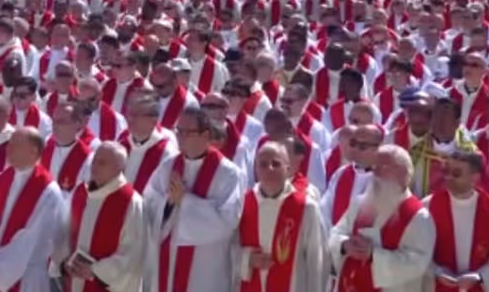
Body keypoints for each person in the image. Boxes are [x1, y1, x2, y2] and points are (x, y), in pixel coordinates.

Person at [154, 107, 245, 292]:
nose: (180, 137)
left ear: (205, 135)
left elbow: (227, 223)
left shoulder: (229, 174)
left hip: (205, 268)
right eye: (178, 130)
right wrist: (169, 203)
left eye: (187, 132)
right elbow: (149, 204)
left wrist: (185, 201)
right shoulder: (168, 165)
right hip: (168, 262)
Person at [328, 145, 436, 292]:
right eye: (374, 167)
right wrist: (344, 245)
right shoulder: (361, 203)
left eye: (383, 167)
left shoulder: (418, 216)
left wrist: (374, 255)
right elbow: (336, 233)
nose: (375, 173)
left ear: (403, 173)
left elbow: (417, 262)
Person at [0, 126, 66, 291]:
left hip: (26, 279)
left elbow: (29, 240)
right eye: (10, 143)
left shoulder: (47, 191)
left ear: (33, 152)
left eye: (16, 144)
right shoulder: (2, 178)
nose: (9, 148)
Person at [52, 141, 146, 292]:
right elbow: (63, 231)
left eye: (102, 162)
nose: (94, 166)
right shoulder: (80, 192)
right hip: (74, 282)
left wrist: (95, 271)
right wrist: (65, 260)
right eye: (94, 160)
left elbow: (132, 254)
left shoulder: (131, 202)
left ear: (118, 168)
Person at [232, 141, 324, 292]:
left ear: (288, 169)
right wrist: (247, 259)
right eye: (263, 164)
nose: (269, 168)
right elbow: (227, 248)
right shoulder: (242, 204)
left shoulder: (306, 208)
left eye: (276, 164)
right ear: (255, 169)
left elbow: (317, 261)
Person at [421, 149, 489, 291]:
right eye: (447, 171)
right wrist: (437, 271)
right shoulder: (428, 206)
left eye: (457, 173)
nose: (449, 177)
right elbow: (417, 250)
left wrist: (479, 276)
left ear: (475, 178)